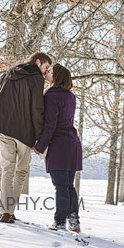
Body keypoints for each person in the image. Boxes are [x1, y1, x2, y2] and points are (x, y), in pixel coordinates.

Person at [0, 52, 52, 223]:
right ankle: (9, 211)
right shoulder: (36, 79)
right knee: (20, 171)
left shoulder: (8, 73)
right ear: (38, 62)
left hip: (3, 128)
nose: (46, 72)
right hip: (24, 132)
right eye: (45, 67)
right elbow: (37, 109)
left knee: (7, 170)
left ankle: (6, 212)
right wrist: (39, 136)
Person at [34, 63, 82, 232]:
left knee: (61, 187)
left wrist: (40, 146)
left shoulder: (53, 96)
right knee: (69, 186)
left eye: (51, 71)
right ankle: (74, 221)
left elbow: (50, 125)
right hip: (73, 144)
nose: (47, 73)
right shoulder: (70, 96)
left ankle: (60, 221)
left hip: (60, 145)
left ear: (57, 77)